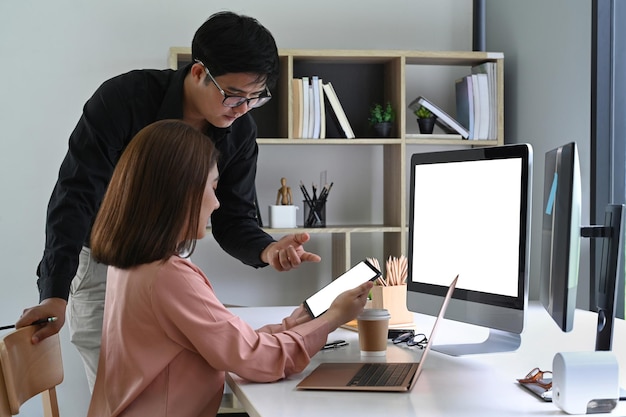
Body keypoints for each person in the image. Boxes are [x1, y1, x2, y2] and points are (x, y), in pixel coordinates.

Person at [16, 11, 321, 391]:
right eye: (233, 96)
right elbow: (75, 197)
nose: (242, 109)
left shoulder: (240, 129)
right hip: (101, 263)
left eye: (255, 99)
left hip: (169, 264)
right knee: (121, 393)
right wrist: (56, 293)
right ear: (197, 73)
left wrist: (269, 249)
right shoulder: (123, 100)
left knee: (179, 385)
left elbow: (233, 218)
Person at [85, 120, 371, 416]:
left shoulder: (131, 263)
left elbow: (230, 344)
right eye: (212, 187)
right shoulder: (168, 276)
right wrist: (334, 317)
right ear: (180, 192)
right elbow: (256, 359)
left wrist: (294, 324)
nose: (217, 204)